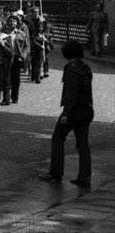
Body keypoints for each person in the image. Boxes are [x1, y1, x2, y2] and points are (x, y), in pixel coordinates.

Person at [39, 40, 93, 187]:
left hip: (74, 110)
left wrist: (66, 114)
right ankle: (85, 176)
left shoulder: (71, 68)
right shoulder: (86, 66)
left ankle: (55, 173)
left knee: (57, 138)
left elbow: (71, 94)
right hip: (87, 108)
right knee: (83, 144)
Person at [1, 14, 29, 105]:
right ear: (7, 23)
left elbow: (26, 47)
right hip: (6, 57)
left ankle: (15, 96)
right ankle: (6, 99)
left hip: (17, 57)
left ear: (17, 23)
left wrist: (22, 57)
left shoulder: (22, 34)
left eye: (14, 21)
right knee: (6, 78)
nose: (12, 23)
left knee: (15, 79)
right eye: (10, 21)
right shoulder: (3, 34)